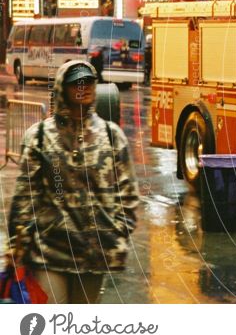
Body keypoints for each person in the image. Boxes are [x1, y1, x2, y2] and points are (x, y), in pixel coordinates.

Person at [5, 61, 140, 304]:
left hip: (94, 254)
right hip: (49, 251)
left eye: (88, 82)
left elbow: (128, 194)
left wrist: (116, 231)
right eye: (76, 83)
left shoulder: (111, 136)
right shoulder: (40, 137)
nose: (84, 87)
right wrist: (16, 244)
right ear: (61, 88)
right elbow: (25, 196)